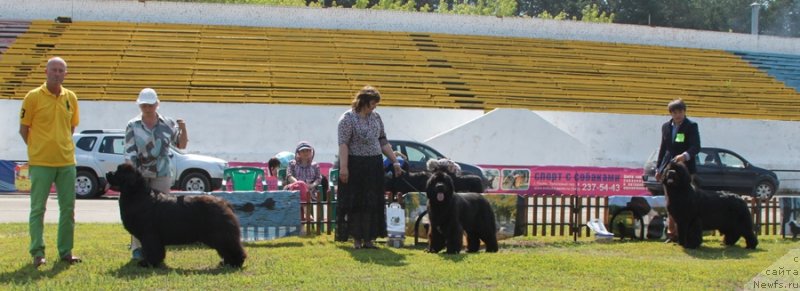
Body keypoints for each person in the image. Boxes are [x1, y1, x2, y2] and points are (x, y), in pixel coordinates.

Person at [18, 57, 82, 268]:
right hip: (41, 163)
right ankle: (38, 252)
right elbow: (24, 129)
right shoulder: (33, 97)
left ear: (66, 74)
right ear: (45, 72)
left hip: (66, 162)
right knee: (38, 209)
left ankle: (66, 251)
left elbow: (71, 128)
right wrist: (38, 149)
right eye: (53, 70)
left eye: (61, 70)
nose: (57, 73)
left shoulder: (70, 97)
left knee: (68, 209)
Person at [124, 88, 188, 259]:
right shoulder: (132, 125)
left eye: (150, 104)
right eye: (144, 105)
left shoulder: (168, 124)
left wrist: (183, 128)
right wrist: (131, 176)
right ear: (139, 105)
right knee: (137, 213)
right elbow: (129, 152)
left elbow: (181, 145)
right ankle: (138, 249)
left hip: (162, 172)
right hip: (140, 176)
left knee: (163, 213)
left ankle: (158, 248)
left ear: (157, 104)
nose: (147, 108)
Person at [335, 85, 403, 249]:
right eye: (372, 103)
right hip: (355, 164)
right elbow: (343, 145)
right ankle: (357, 239)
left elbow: (383, 141)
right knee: (356, 202)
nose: (374, 107)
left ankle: (369, 238)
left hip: (374, 164)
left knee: (372, 202)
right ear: (363, 101)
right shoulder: (347, 119)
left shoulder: (376, 117)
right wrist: (344, 168)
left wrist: (394, 161)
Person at [655, 99, 700, 243]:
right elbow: (663, 149)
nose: (678, 114)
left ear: (684, 111)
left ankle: (687, 233)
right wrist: (658, 168)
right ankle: (671, 233)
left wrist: (684, 156)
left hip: (685, 170)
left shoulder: (691, 126)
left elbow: (696, 147)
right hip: (668, 170)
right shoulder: (665, 127)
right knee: (671, 203)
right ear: (671, 113)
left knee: (686, 203)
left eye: (680, 111)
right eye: (675, 112)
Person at [285, 141, 322, 221]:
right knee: (300, 185)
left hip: (310, 191)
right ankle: (307, 213)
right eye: (303, 151)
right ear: (298, 153)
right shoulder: (292, 164)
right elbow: (289, 176)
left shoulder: (315, 165)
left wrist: (312, 185)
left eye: (308, 150)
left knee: (303, 188)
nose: (306, 153)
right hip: (293, 189)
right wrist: (299, 184)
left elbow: (318, 179)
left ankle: (303, 219)